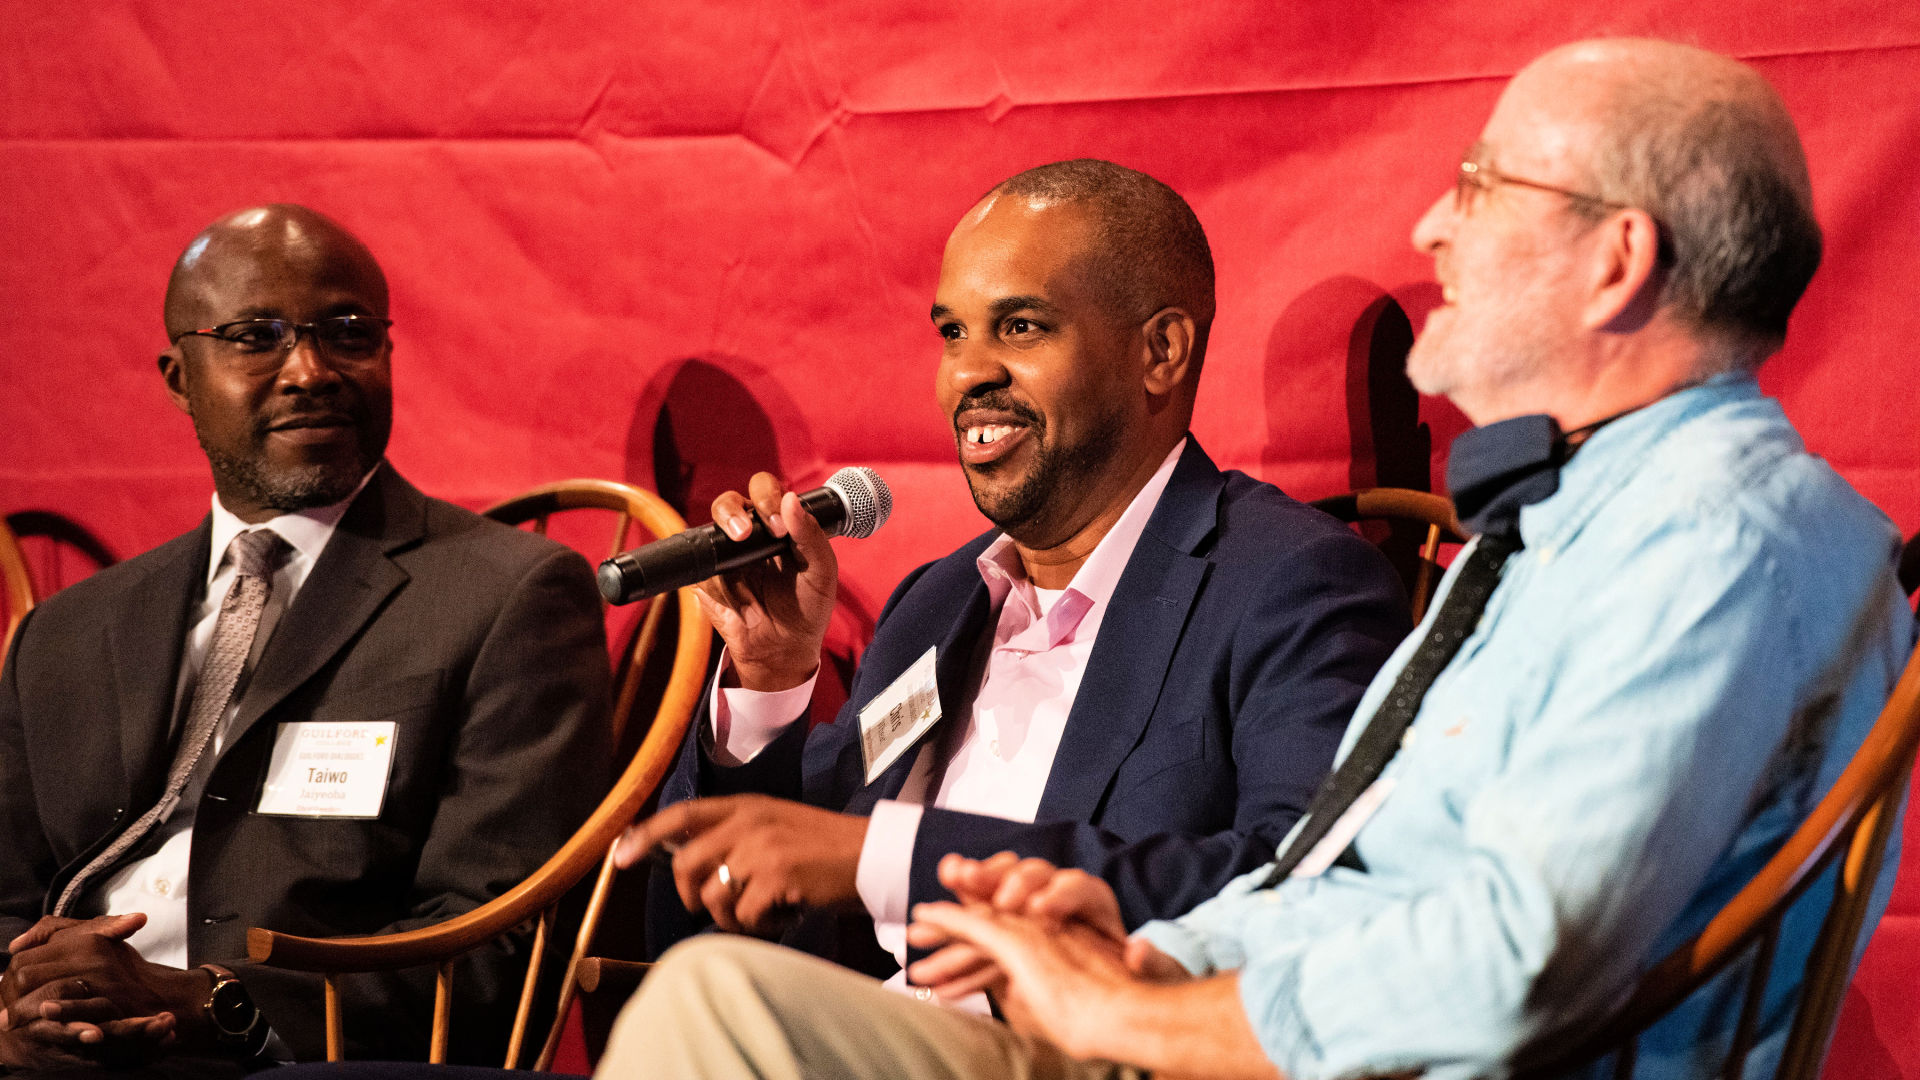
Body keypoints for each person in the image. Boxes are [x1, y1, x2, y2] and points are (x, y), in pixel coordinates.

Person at [604, 39, 1916, 1080]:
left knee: (722, 1016)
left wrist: (1132, 1016)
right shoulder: (1561, 533)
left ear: (1619, 259)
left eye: (1479, 186)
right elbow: (1336, 878)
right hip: (1189, 1029)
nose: (1430, 233)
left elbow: (1518, 960)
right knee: (716, 999)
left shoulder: (1712, 546)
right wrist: (1150, 961)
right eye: (952, 329)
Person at [620, 158, 1412, 993]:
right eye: (953, 333)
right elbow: (701, 936)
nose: (966, 374)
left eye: (1022, 327)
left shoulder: (1289, 583)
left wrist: (896, 859)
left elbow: (1302, 881)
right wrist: (769, 685)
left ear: (1161, 351)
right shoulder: (937, 602)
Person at [0, 205, 613, 1071]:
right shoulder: (64, 633)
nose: (311, 371)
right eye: (258, 337)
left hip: (297, 1056)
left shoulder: (505, 597)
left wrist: (215, 1007)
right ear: (180, 378)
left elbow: (493, 942)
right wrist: (18, 1015)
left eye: (348, 333)